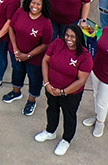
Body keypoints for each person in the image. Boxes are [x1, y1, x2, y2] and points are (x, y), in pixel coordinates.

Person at [34, 27, 94, 156]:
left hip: (71, 94)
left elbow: (81, 80)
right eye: (67, 35)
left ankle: (66, 140)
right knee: (51, 109)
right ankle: (50, 131)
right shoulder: (57, 43)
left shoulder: (85, 56)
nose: (69, 39)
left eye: (73, 36)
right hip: (52, 87)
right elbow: (45, 60)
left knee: (69, 115)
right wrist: (47, 83)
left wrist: (63, 92)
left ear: (78, 37)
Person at [0, 0, 54, 118]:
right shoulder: (20, 12)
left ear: (43, 6)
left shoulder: (46, 23)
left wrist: (28, 55)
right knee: (17, 71)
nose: (35, 6)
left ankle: (31, 101)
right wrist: (15, 48)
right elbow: (11, 27)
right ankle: (16, 91)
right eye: (33, 3)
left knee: (34, 78)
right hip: (17, 53)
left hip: (34, 58)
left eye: (39, 4)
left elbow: (45, 45)